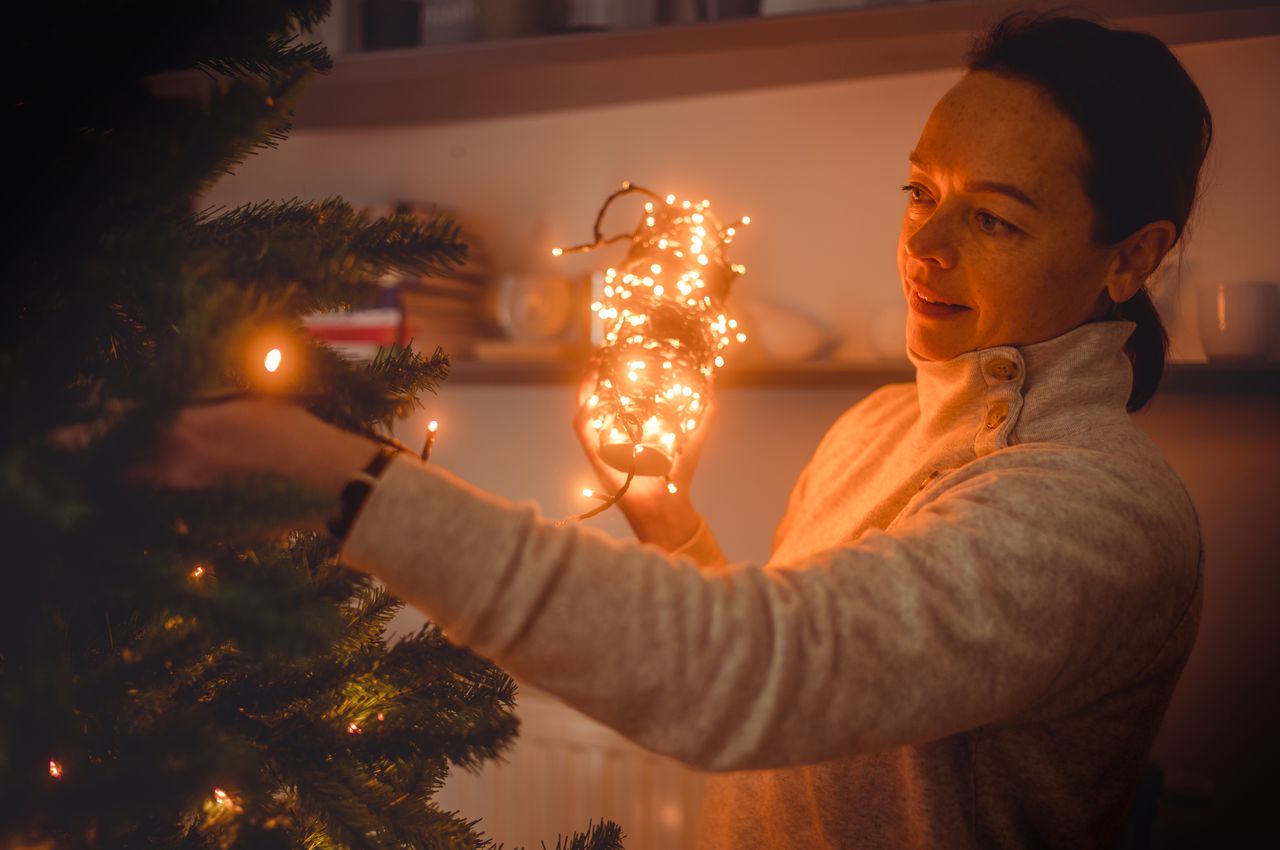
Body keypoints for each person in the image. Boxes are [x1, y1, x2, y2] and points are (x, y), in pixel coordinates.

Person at [145, 11, 1211, 849]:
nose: (924, 245)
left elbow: (754, 676)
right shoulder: (879, 424)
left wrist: (343, 478)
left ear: (1130, 256)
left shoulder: (1096, 511)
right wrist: (669, 521)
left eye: (991, 217)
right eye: (917, 192)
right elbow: (811, 703)